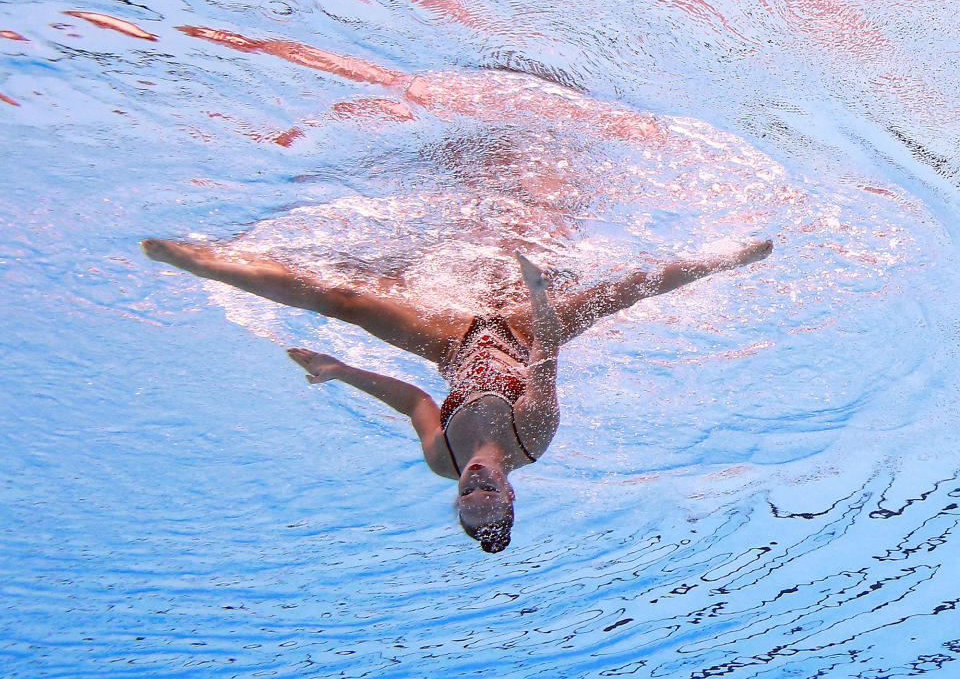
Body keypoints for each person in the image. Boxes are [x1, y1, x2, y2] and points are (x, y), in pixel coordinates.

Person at [142, 238, 772, 552]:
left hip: (454, 345)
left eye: (465, 497)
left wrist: (341, 370)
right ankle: (730, 259)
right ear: (509, 490)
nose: (471, 485)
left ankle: (199, 263)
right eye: (486, 493)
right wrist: (537, 291)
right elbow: (548, 351)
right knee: (627, 290)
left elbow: (414, 398)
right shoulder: (533, 436)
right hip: (526, 332)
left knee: (349, 304)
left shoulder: (442, 459)